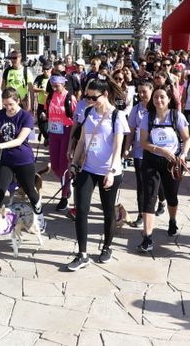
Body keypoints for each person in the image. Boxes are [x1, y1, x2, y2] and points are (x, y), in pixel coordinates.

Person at [65, 78, 129, 270]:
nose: (89, 100)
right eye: (87, 96)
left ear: (106, 94)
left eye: (94, 97)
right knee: (81, 209)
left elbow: (118, 146)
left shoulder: (117, 116)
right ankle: (82, 253)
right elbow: (83, 141)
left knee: (108, 210)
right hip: (88, 168)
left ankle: (107, 247)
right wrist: (75, 163)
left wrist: (111, 170)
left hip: (109, 170)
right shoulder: (87, 112)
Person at [0, 87, 43, 243]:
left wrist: (0, 147)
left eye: (11, 104)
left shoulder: (26, 117)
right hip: (5, 160)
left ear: (18, 101)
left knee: (30, 191)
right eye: (5, 105)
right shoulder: (0, 115)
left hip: (23, 160)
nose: (8, 108)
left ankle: (39, 216)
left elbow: (20, 140)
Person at [138, 84, 190, 252]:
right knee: (150, 196)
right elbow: (143, 142)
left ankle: (172, 220)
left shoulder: (177, 117)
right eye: (155, 97)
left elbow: (187, 139)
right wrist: (160, 150)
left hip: (173, 163)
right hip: (152, 160)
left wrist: (183, 154)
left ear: (169, 99)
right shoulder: (147, 117)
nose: (158, 100)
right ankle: (147, 237)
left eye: (162, 97)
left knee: (171, 195)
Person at [125, 81, 165, 227]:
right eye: (139, 92)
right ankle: (142, 214)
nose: (142, 95)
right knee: (141, 184)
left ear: (151, 91)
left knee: (157, 181)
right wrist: (127, 147)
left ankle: (162, 200)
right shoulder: (136, 109)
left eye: (145, 92)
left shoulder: (159, 109)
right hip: (139, 151)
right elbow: (130, 130)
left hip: (156, 152)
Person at [44, 74, 76, 211]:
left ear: (63, 84)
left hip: (66, 131)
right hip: (53, 132)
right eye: (52, 85)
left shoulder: (70, 97)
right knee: (55, 165)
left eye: (57, 85)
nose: (54, 88)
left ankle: (64, 196)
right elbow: (47, 110)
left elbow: (76, 117)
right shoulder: (50, 96)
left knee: (63, 165)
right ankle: (67, 187)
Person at [32, 62, 53, 142]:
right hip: (41, 104)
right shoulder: (39, 78)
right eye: (44, 70)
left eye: (47, 70)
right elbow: (34, 88)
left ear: (51, 69)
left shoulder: (53, 78)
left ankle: (49, 138)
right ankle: (46, 136)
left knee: (49, 123)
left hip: (51, 105)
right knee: (41, 124)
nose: (45, 71)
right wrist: (42, 90)